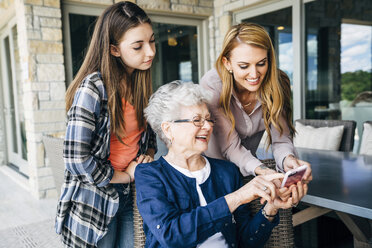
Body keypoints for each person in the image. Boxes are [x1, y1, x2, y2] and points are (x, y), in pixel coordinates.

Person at [135, 81, 308, 248]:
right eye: (197, 120)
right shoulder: (150, 175)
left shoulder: (227, 172)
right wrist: (237, 197)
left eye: (209, 119)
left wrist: (271, 207)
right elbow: (171, 234)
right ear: (168, 129)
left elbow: (247, 241)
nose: (208, 127)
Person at [55, 2, 157, 247]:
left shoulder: (140, 83)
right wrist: (123, 176)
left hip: (131, 195)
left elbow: (148, 140)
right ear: (114, 49)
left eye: (152, 41)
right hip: (96, 198)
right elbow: (75, 159)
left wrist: (147, 156)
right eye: (138, 46)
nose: (151, 51)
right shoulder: (93, 88)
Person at [200, 23, 312, 183]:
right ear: (227, 63)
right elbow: (231, 146)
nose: (254, 74)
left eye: (261, 63)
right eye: (244, 66)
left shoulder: (278, 84)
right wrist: (262, 170)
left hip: (248, 168)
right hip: (211, 172)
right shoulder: (212, 85)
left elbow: (281, 139)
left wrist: (288, 159)